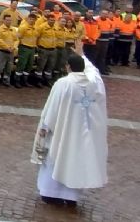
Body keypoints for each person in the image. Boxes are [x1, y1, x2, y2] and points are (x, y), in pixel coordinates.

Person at [31, 54, 107, 206]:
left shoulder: (63, 83)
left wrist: (45, 127)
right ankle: (71, 196)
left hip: (62, 132)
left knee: (56, 158)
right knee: (75, 161)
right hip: (82, 135)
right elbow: (94, 71)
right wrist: (83, 54)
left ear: (68, 67)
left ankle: (51, 194)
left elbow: (52, 108)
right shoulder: (94, 83)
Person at [15, 13, 39, 89]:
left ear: (35, 20)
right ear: (28, 19)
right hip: (24, 48)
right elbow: (18, 38)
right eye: (30, 19)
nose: (32, 20)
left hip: (32, 49)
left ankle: (24, 81)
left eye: (33, 19)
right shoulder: (23, 27)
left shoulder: (35, 28)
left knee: (29, 65)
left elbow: (36, 38)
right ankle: (17, 81)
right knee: (21, 64)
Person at [0, 14, 17, 87]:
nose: (9, 21)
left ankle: (6, 81)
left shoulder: (13, 29)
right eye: (7, 20)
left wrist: (14, 47)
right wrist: (7, 47)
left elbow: (16, 40)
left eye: (10, 20)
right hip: (2, 52)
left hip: (11, 52)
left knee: (8, 68)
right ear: (3, 20)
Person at [35, 15, 57, 87]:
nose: (52, 21)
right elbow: (36, 37)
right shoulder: (42, 27)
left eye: (53, 20)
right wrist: (37, 47)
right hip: (43, 49)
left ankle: (47, 80)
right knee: (41, 66)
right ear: (47, 20)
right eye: (51, 20)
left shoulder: (55, 27)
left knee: (50, 66)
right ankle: (38, 81)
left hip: (53, 50)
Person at [95, 11, 114, 75]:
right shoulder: (96, 21)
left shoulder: (109, 22)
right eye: (103, 13)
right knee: (96, 55)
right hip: (97, 41)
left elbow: (112, 30)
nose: (104, 15)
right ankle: (95, 69)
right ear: (100, 14)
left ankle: (102, 70)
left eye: (106, 14)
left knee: (103, 56)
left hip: (105, 41)